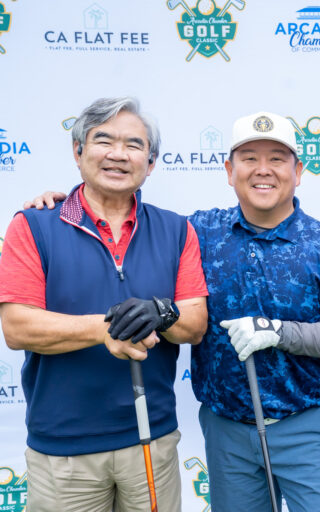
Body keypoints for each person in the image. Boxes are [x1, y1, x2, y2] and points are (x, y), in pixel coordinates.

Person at [0, 97, 209, 512]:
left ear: (150, 164)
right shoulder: (33, 225)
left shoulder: (177, 230)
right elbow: (17, 328)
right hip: (64, 450)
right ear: (78, 152)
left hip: (152, 440)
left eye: (134, 145)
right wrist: (104, 328)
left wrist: (163, 313)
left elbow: (196, 323)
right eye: (103, 140)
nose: (118, 154)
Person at [187, 111, 320, 511]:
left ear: (298, 170)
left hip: (305, 426)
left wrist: (278, 331)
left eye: (277, 158)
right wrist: (65, 207)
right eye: (249, 157)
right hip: (228, 431)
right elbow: (132, 227)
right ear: (228, 169)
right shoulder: (199, 232)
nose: (263, 170)